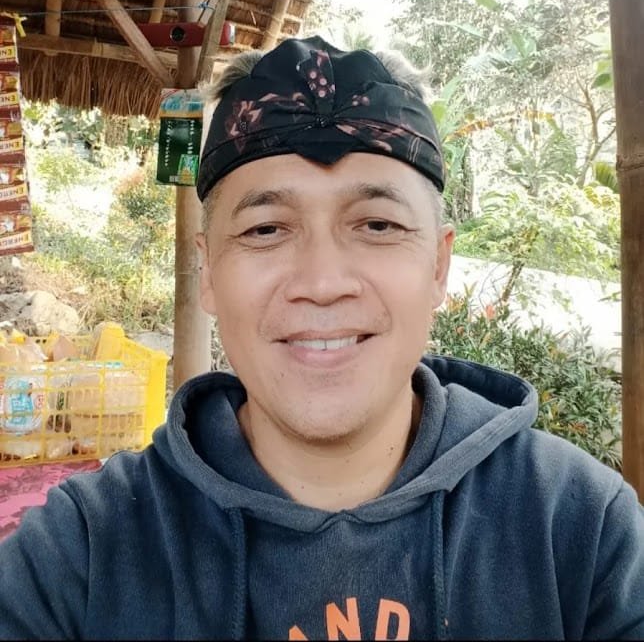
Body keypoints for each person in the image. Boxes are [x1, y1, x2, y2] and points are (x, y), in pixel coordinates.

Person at [0, 35, 642, 641]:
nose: (323, 283)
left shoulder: (582, 531)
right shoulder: (80, 556)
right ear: (209, 273)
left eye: (379, 225)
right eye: (265, 230)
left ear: (438, 266)